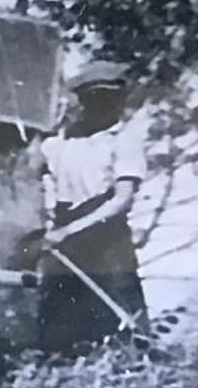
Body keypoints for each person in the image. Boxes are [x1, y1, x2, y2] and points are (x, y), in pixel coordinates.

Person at [38, 59, 150, 352]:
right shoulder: (65, 140)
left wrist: (70, 231)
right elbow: (48, 175)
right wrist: (53, 215)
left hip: (106, 239)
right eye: (92, 98)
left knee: (123, 323)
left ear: (119, 99)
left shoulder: (124, 140)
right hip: (64, 240)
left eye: (108, 98)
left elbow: (121, 200)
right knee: (58, 328)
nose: (100, 105)